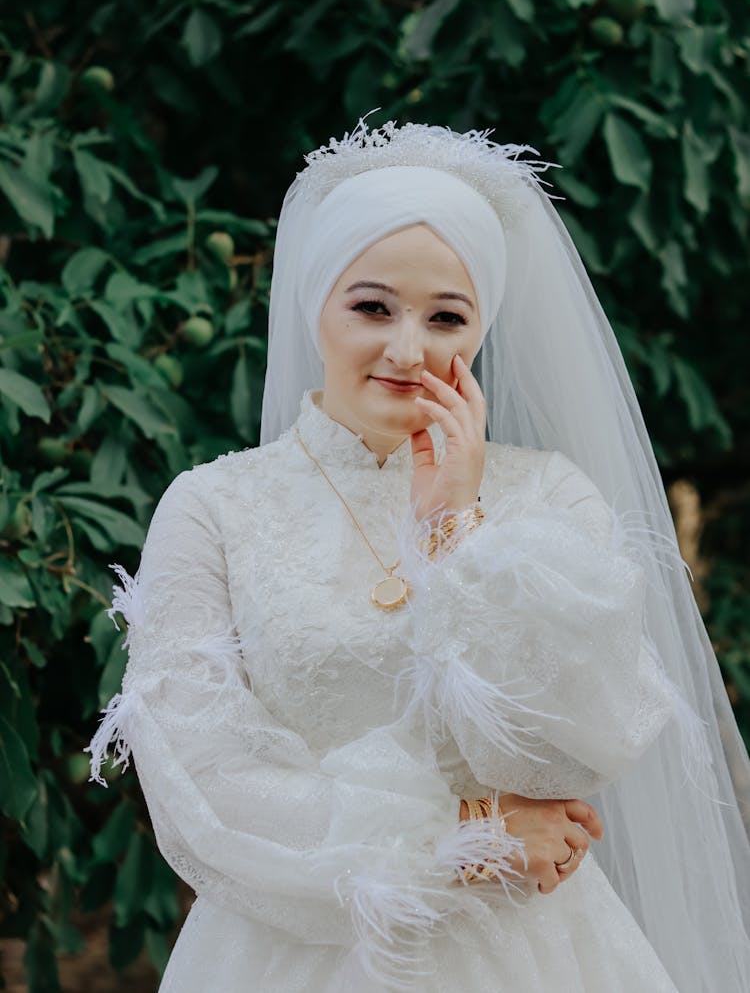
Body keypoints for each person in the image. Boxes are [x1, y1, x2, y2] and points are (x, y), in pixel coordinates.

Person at [88, 117, 750, 992]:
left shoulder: (553, 497)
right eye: (371, 306)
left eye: (447, 316)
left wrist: (457, 525)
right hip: (289, 954)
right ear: (314, 303)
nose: (408, 349)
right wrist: (466, 835)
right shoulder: (214, 507)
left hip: (537, 956)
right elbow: (205, 782)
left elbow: (567, 755)